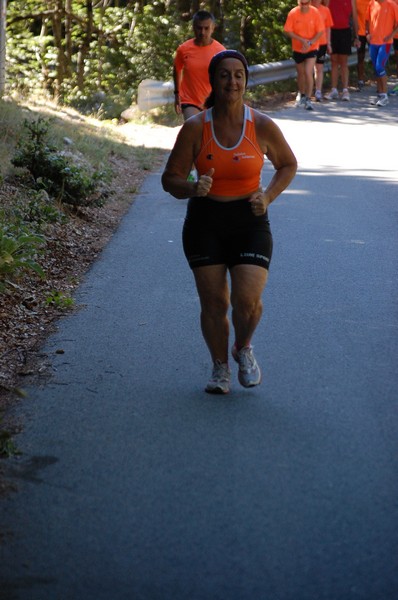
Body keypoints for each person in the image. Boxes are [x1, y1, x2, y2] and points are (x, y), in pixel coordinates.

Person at [162, 50, 297, 394]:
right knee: (215, 303)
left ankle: (244, 347)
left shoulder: (262, 126)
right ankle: (220, 366)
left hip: (249, 220)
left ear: (246, 80)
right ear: (213, 80)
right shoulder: (195, 128)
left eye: (238, 75)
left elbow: (287, 164)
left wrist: (266, 196)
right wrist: (193, 187)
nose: (232, 82)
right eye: (224, 75)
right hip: (205, 221)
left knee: (247, 301)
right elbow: (169, 179)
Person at [173, 10, 225, 122]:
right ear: (193, 27)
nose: (202, 32)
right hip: (189, 100)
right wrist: (177, 94)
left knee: (209, 135)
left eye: (206, 28)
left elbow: (224, 77)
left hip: (212, 102)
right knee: (193, 125)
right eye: (199, 28)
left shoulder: (220, 51)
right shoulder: (184, 49)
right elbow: (177, 69)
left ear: (213, 28)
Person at [284, 0, 325, 110]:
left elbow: (320, 31)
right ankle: (301, 94)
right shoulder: (293, 13)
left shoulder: (315, 12)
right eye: (302, 3)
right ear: (298, 3)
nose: (304, 6)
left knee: (308, 71)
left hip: (312, 47)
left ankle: (308, 98)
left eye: (306, 3)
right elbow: (288, 30)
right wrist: (301, 40)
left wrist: (310, 42)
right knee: (300, 73)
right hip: (298, 47)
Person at [325, 0, 360, 100]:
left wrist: (356, 36)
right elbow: (325, 13)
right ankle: (334, 90)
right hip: (332, 31)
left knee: (344, 62)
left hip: (345, 31)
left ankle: (345, 90)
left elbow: (354, 16)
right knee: (334, 61)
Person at [365, 0, 398, 106]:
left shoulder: (391, 5)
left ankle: (384, 95)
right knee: (376, 69)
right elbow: (367, 20)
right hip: (373, 42)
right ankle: (380, 95)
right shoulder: (371, 3)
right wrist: (367, 33)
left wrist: (391, 35)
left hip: (385, 43)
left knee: (380, 67)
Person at [311, 0, 334, 100]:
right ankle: (304, 92)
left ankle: (318, 91)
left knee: (319, 68)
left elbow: (328, 28)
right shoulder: (307, 8)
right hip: (310, 44)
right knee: (307, 69)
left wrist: (328, 43)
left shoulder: (325, 10)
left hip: (322, 43)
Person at [356, 0, 371, 89]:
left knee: (375, 58)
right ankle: (360, 80)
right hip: (360, 33)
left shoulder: (373, 1)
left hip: (371, 33)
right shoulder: (356, 1)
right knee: (360, 57)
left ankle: (379, 82)